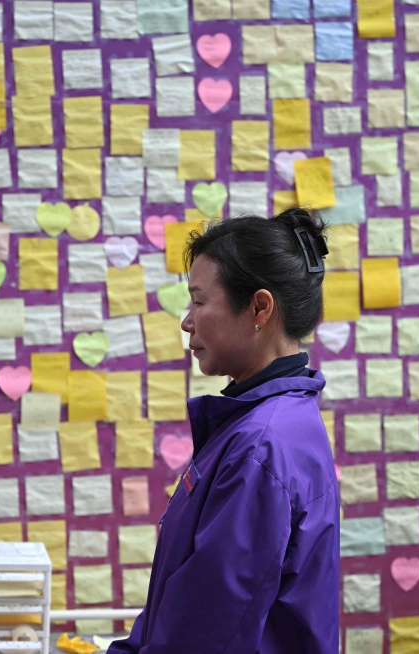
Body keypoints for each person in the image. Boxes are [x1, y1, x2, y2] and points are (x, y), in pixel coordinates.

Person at [107, 208, 339, 654]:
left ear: (259, 307)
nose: (186, 321)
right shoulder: (271, 420)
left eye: (198, 301)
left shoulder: (260, 446)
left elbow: (205, 633)